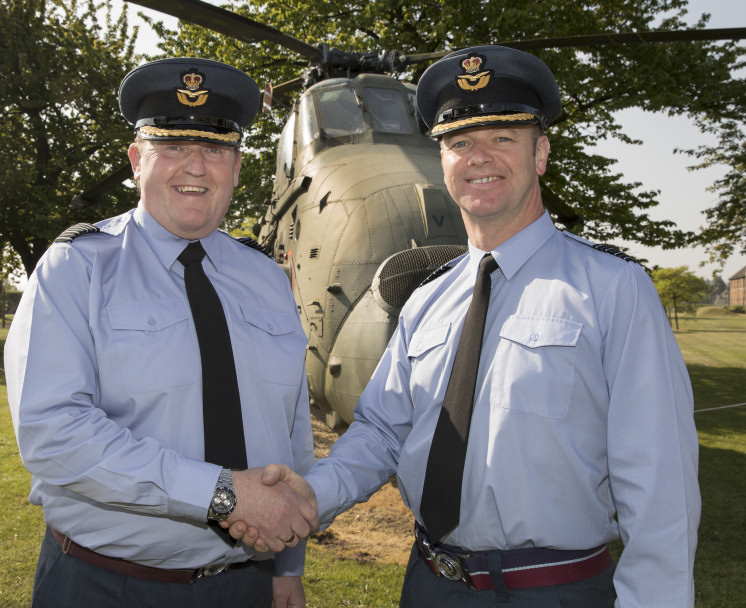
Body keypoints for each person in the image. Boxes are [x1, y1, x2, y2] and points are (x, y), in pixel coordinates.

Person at [232, 46, 701, 607]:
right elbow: (381, 433)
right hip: (431, 584)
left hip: (554, 591)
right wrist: (308, 494)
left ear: (542, 152)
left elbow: (660, 484)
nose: (480, 158)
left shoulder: (612, 289)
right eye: (459, 143)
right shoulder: (428, 300)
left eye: (503, 138)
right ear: (444, 161)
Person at [4, 57, 317, 608]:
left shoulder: (267, 278)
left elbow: (290, 433)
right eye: (172, 147)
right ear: (135, 160)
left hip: (244, 584)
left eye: (216, 149)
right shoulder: (77, 267)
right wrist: (221, 496)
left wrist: (287, 563)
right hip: (105, 585)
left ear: (238, 167)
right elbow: (53, 431)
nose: (195, 167)